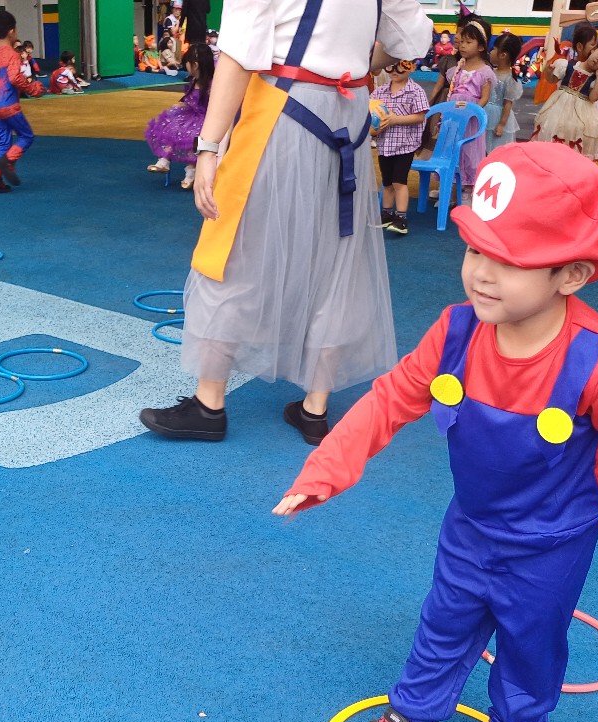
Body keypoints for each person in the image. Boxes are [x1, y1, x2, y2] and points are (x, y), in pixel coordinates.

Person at [273, 143, 598, 722]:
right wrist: (326, 469)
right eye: (476, 249)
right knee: (444, 619)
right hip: (473, 522)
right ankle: (415, 710)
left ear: (571, 274)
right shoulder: (455, 332)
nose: (480, 272)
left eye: (509, 260)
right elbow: (391, 397)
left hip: (553, 538)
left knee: (531, 638)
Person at [137, 0, 432, 444]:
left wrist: (208, 147)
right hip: (351, 115)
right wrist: (347, 60)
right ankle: (315, 408)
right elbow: (409, 38)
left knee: (232, 253)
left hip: (283, 109)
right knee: (339, 263)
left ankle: (208, 404)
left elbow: (239, 54)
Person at [0, 11, 43, 193]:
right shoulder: (13, 55)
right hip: (9, 106)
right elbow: (15, 77)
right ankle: (7, 161)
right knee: (26, 136)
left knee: (3, 142)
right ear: (12, 32)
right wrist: (33, 88)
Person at [530, 26, 598, 161]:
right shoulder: (566, 65)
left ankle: (569, 161)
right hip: (560, 107)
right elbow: (552, 80)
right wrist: (548, 71)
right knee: (555, 129)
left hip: (583, 111)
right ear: (581, 47)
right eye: (594, 46)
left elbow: (593, 97)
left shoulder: (597, 79)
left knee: (576, 133)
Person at [371, 57, 428, 234]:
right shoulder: (380, 91)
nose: (394, 71)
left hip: (405, 145)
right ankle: (387, 214)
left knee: (399, 181)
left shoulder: (415, 91)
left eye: (400, 66)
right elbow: (370, 111)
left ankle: (401, 218)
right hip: (385, 145)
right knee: (387, 182)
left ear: (411, 67)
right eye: (390, 66)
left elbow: (420, 116)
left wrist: (396, 120)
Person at [145, 43, 213, 188]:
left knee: (191, 135)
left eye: (187, 62)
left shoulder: (211, 84)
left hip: (206, 118)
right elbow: (190, 100)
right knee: (171, 126)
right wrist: (181, 106)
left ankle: (191, 170)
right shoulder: (194, 81)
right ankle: (165, 159)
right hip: (191, 114)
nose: (185, 66)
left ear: (195, 65)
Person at [442, 19, 494, 205]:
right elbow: (452, 91)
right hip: (454, 117)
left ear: (481, 47)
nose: (463, 45)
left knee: (470, 153)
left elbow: (485, 97)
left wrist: (473, 111)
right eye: (462, 41)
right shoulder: (458, 68)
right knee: (451, 151)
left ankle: (468, 191)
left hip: (471, 119)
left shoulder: (485, 71)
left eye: (468, 42)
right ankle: (451, 192)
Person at [485, 30, 522, 153]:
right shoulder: (490, 72)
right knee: (483, 145)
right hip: (485, 113)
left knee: (496, 148)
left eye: (494, 49)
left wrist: (501, 124)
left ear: (503, 55)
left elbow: (507, 104)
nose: (491, 52)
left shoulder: (510, 79)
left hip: (498, 117)